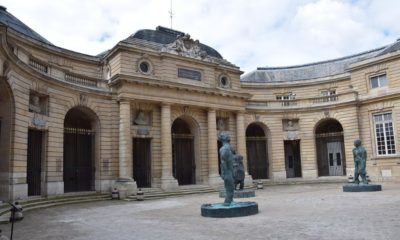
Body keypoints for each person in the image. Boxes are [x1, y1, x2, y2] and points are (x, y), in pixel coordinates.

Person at [218, 132, 235, 206]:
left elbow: (224, 161)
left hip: (230, 171)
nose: (228, 136)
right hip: (228, 171)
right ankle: (228, 202)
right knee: (229, 187)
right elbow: (223, 161)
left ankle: (229, 201)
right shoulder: (226, 148)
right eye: (226, 136)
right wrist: (224, 173)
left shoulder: (227, 148)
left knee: (230, 187)